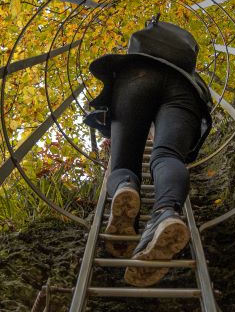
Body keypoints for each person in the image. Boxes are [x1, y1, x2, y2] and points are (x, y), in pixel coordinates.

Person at [85, 16, 213, 287]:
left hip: (135, 76)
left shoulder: (140, 55)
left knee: (123, 164)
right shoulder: (190, 72)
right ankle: (166, 214)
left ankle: (126, 188)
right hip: (186, 90)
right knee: (167, 156)